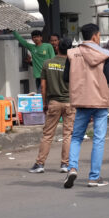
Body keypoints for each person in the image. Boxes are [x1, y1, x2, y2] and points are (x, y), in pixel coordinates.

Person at [62, 23, 109, 188]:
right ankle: (94, 177)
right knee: (98, 139)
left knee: (76, 137)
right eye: (98, 36)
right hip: (100, 100)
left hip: (81, 100)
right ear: (95, 36)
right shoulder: (104, 54)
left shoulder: (72, 53)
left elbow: (65, 78)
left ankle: (72, 168)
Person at [28, 37, 76, 174]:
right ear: (70, 49)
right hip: (69, 103)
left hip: (53, 102)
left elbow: (43, 86)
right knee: (68, 134)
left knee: (47, 134)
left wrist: (44, 103)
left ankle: (40, 164)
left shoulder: (47, 63)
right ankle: (65, 164)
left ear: (57, 47)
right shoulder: (73, 64)